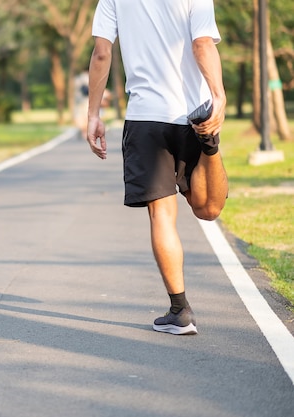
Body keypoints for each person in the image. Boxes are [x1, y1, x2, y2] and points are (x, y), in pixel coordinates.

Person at [84, 0, 229, 335]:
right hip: (193, 112)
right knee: (208, 210)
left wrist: (93, 114)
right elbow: (202, 43)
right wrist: (218, 97)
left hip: (146, 118)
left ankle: (180, 311)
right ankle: (210, 146)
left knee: (161, 215)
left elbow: (102, 53)